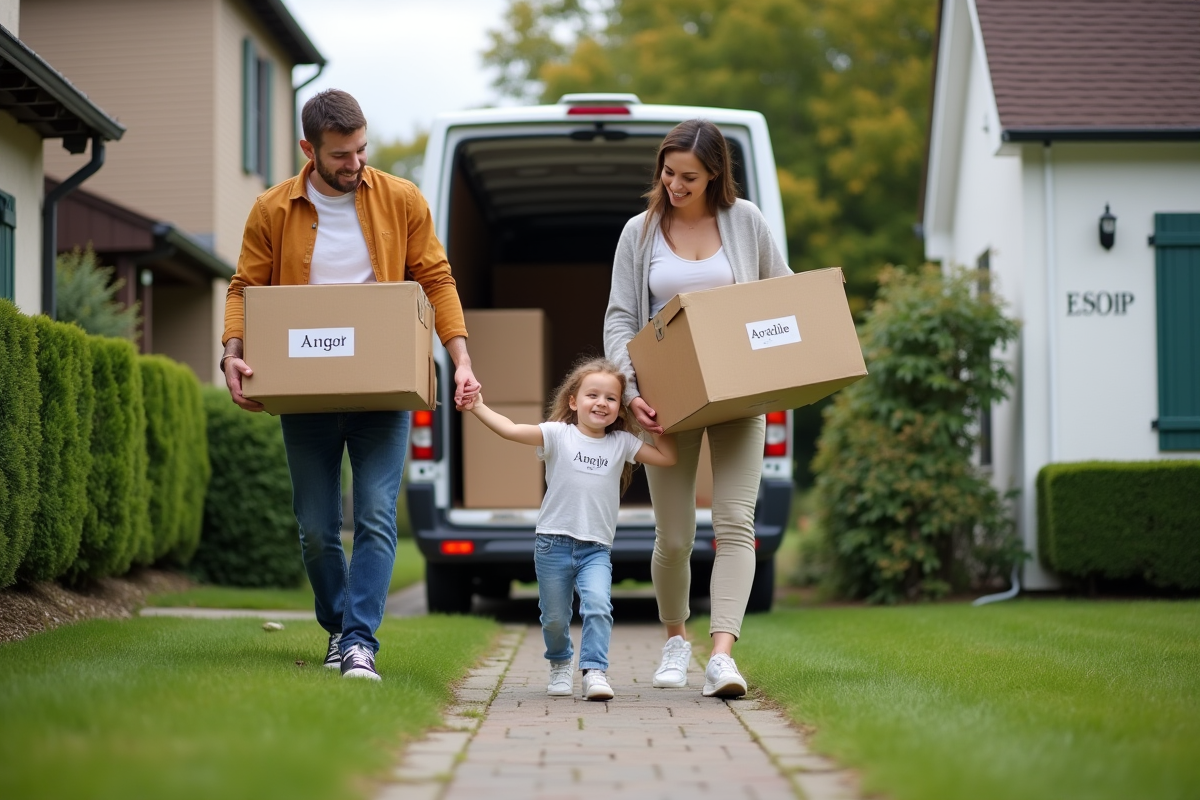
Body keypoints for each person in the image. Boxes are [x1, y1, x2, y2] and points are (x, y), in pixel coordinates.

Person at [219, 89, 480, 681]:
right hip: (306, 392)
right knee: (316, 529)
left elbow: (436, 280)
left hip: (382, 390)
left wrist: (461, 359)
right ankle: (339, 625)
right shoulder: (272, 210)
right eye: (341, 154)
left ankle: (360, 641)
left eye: (362, 149)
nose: (355, 163)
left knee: (377, 516)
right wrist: (232, 352)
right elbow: (244, 288)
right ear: (308, 149)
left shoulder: (401, 199)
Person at [603, 119, 791, 697]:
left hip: (739, 393)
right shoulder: (640, 232)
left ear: (714, 175)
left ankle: (722, 657)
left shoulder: (746, 221)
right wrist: (630, 392)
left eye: (689, 177)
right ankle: (676, 642)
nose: (676, 185)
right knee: (676, 535)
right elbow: (620, 318)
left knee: (735, 522)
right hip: (667, 402)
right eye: (669, 172)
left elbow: (782, 292)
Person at [462, 358, 676, 700]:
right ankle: (560, 662)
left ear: (619, 408)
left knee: (598, 606)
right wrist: (477, 406)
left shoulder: (622, 442)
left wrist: (661, 420)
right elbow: (510, 429)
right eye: (593, 395)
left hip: (596, 549)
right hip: (552, 544)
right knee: (554, 619)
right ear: (573, 401)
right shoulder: (557, 434)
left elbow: (668, 458)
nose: (602, 403)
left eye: (611, 398)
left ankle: (594, 670)